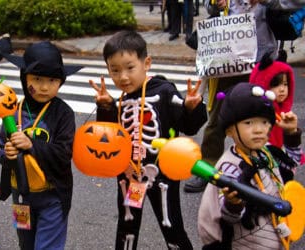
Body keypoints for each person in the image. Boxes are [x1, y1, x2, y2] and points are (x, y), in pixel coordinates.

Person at [89, 30, 207, 250]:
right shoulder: (121, 100)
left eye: (130, 68)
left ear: (147, 63)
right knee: (127, 226)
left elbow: (189, 127)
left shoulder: (164, 92)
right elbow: (109, 136)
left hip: (162, 176)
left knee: (171, 224)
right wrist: (106, 106)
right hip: (130, 176)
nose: (123, 77)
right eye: (115, 70)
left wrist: (192, 107)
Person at [183, 0, 304, 193]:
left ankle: (267, 167)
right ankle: (207, 168)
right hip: (226, 59)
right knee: (217, 117)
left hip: (261, 59)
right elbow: (208, 4)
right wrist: (215, 4)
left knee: (266, 116)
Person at [0, 41, 82, 250]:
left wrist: (31, 145)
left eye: (52, 80)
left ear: (61, 81)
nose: (44, 87)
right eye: (37, 79)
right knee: (26, 245)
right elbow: (1, 149)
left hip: (52, 194)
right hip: (21, 195)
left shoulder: (63, 114)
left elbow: (64, 153)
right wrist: (6, 153)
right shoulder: (13, 112)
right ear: (24, 78)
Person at [197, 82, 302, 249]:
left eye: (264, 122)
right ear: (230, 130)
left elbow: (289, 170)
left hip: (273, 237)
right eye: (249, 123)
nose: (259, 130)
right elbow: (230, 217)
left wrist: (291, 135)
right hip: (246, 243)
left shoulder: (266, 153)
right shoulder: (229, 166)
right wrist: (234, 203)